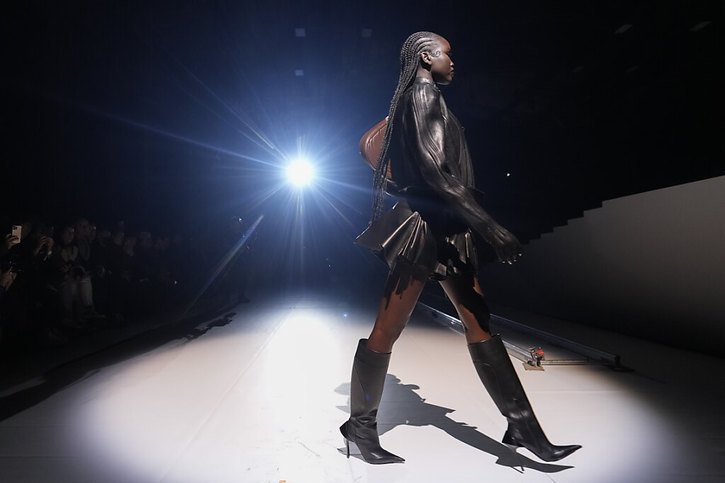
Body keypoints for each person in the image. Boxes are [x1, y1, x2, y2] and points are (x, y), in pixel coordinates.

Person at [340, 31, 581, 465]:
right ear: (428, 56)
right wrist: (491, 227)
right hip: (427, 230)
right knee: (388, 329)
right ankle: (358, 429)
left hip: (447, 229)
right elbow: (436, 174)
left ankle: (523, 428)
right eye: (449, 55)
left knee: (480, 323)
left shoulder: (424, 98)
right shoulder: (423, 97)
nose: (454, 62)